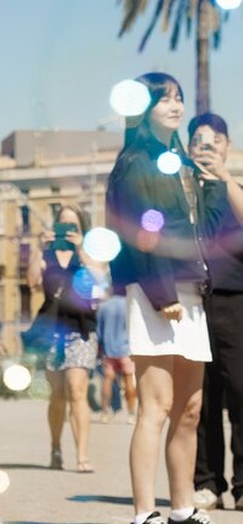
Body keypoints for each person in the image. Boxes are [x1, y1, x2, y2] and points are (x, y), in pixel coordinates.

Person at [105, 72, 214, 524]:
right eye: (164, 98)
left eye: (179, 97)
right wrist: (160, 291)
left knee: (190, 408)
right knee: (157, 404)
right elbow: (140, 231)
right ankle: (145, 512)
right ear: (144, 108)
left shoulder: (182, 163)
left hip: (191, 290)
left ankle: (183, 507)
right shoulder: (136, 161)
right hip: (158, 290)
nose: (175, 105)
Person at [188, 113, 243, 512]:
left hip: (234, 299)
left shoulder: (235, 187)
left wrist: (225, 178)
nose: (207, 147)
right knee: (200, 397)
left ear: (227, 146)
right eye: (199, 142)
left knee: (241, 393)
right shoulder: (181, 189)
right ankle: (207, 482)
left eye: (215, 141)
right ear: (188, 148)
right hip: (191, 303)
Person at [26, 204, 100, 474]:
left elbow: (100, 280)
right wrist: (37, 248)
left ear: (82, 229)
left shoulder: (89, 254)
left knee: (77, 390)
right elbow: (32, 281)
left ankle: (82, 455)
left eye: (74, 227)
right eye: (63, 226)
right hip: (52, 329)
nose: (68, 232)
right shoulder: (46, 254)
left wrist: (81, 248)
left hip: (81, 327)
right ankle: (56, 447)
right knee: (57, 395)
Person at [96, 292, 137, 425]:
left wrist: (100, 348)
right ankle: (131, 413)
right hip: (125, 349)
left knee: (107, 381)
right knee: (129, 380)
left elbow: (99, 331)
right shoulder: (128, 305)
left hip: (109, 349)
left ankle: (105, 412)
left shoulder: (103, 306)